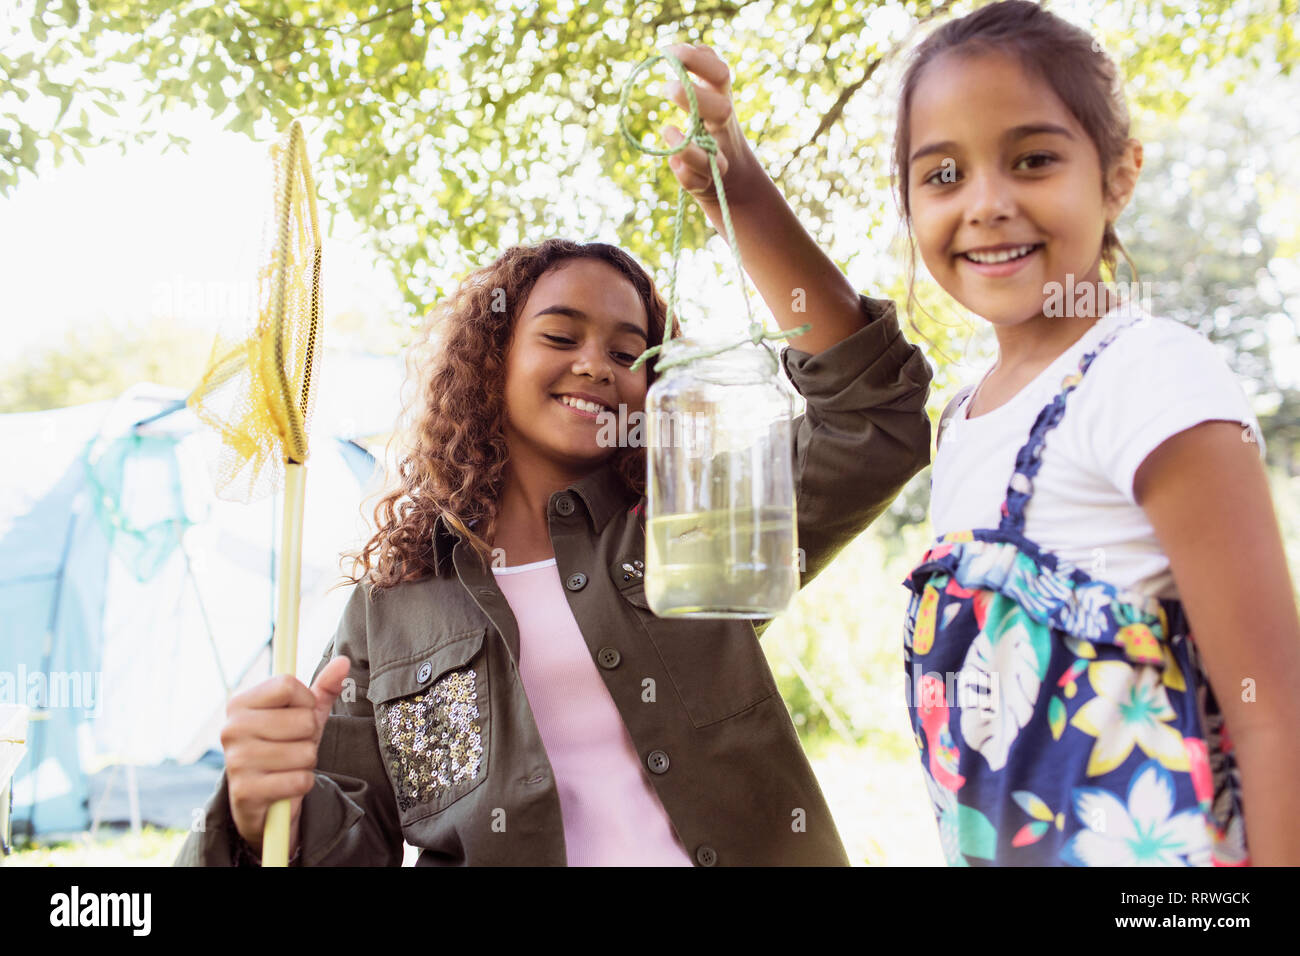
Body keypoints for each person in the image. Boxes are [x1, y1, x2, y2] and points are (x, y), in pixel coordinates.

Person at [175, 88, 934, 863]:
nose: (597, 366)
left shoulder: (691, 525)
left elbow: (874, 420)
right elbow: (350, 845)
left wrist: (732, 189)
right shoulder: (389, 610)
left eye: (629, 350)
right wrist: (261, 807)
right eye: (560, 335)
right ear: (489, 363)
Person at [868, 1, 1300, 865]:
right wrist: (728, 169)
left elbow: (1273, 712)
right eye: (943, 175)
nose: (986, 205)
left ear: (1117, 176)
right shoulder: (962, 420)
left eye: (1032, 160)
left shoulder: (1152, 379)